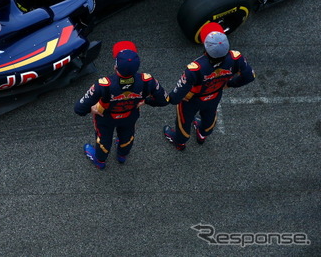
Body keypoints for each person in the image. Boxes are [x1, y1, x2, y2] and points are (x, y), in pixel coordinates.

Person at [74, 41, 169, 169]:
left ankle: (100, 161)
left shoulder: (103, 85)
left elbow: (79, 109)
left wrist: (92, 109)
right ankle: (122, 155)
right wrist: (146, 101)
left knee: (104, 139)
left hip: (105, 117)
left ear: (115, 67)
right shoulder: (147, 81)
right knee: (127, 135)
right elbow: (164, 100)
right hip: (130, 115)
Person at [164, 23, 255, 150]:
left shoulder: (195, 68)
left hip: (193, 100)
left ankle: (180, 142)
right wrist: (230, 83)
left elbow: (175, 97)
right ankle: (202, 134)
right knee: (210, 115)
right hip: (215, 95)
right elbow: (249, 76)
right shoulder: (236, 58)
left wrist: (167, 98)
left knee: (184, 121)